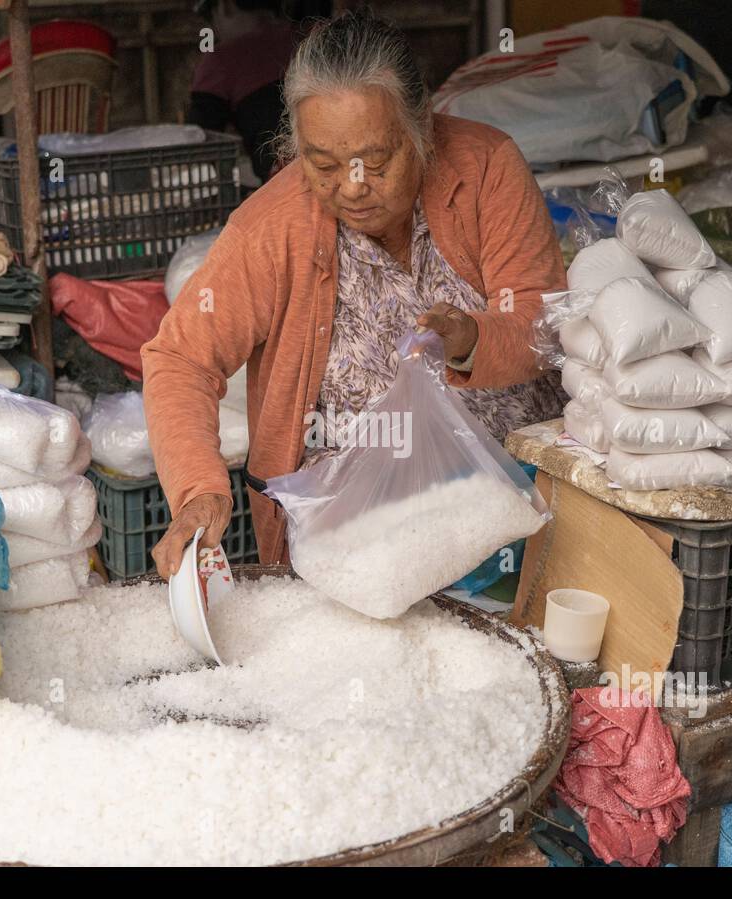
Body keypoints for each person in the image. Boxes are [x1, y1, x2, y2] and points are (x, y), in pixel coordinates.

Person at [143, 8, 566, 578]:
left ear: (421, 125)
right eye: (325, 165)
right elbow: (180, 358)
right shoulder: (270, 227)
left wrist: (473, 338)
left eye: (379, 160)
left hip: (514, 503)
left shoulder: (485, 167)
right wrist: (199, 490)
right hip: (355, 535)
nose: (354, 186)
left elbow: (545, 321)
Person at [187, 0, 297, 182]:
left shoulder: (219, 61)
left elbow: (198, 139)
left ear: (225, 6)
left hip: (283, 182)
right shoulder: (308, 36)